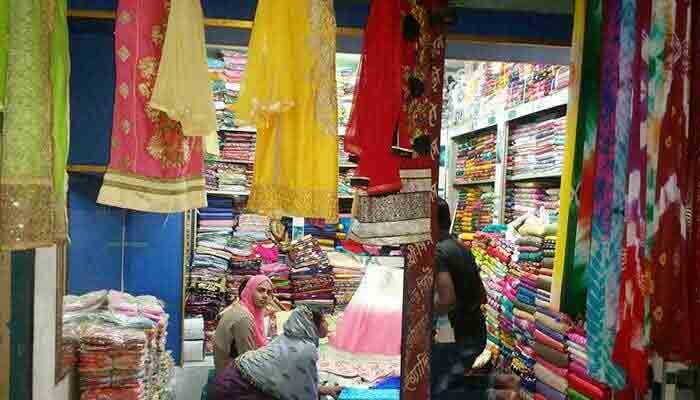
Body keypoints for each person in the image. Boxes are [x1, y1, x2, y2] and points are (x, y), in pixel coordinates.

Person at [432, 198, 519, 400]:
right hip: (475, 329)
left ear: (432, 222)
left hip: (456, 334)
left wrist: (423, 313)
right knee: (447, 379)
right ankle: (504, 382)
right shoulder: (462, 247)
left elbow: (447, 299)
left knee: (438, 391)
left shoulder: (438, 253)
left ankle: (497, 396)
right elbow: (482, 295)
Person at [208, 306, 343, 400]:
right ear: (312, 324)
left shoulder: (287, 338)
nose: (327, 324)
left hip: (230, 377)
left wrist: (324, 390)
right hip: (236, 389)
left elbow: (296, 381)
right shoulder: (306, 349)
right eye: (324, 320)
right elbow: (303, 395)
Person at [213, 275, 274, 372]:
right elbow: (248, 360)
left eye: (269, 292)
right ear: (250, 291)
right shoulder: (244, 318)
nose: (265, 296)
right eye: (260, 290)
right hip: (231, 375)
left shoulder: (240, 308)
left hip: (230, 370)